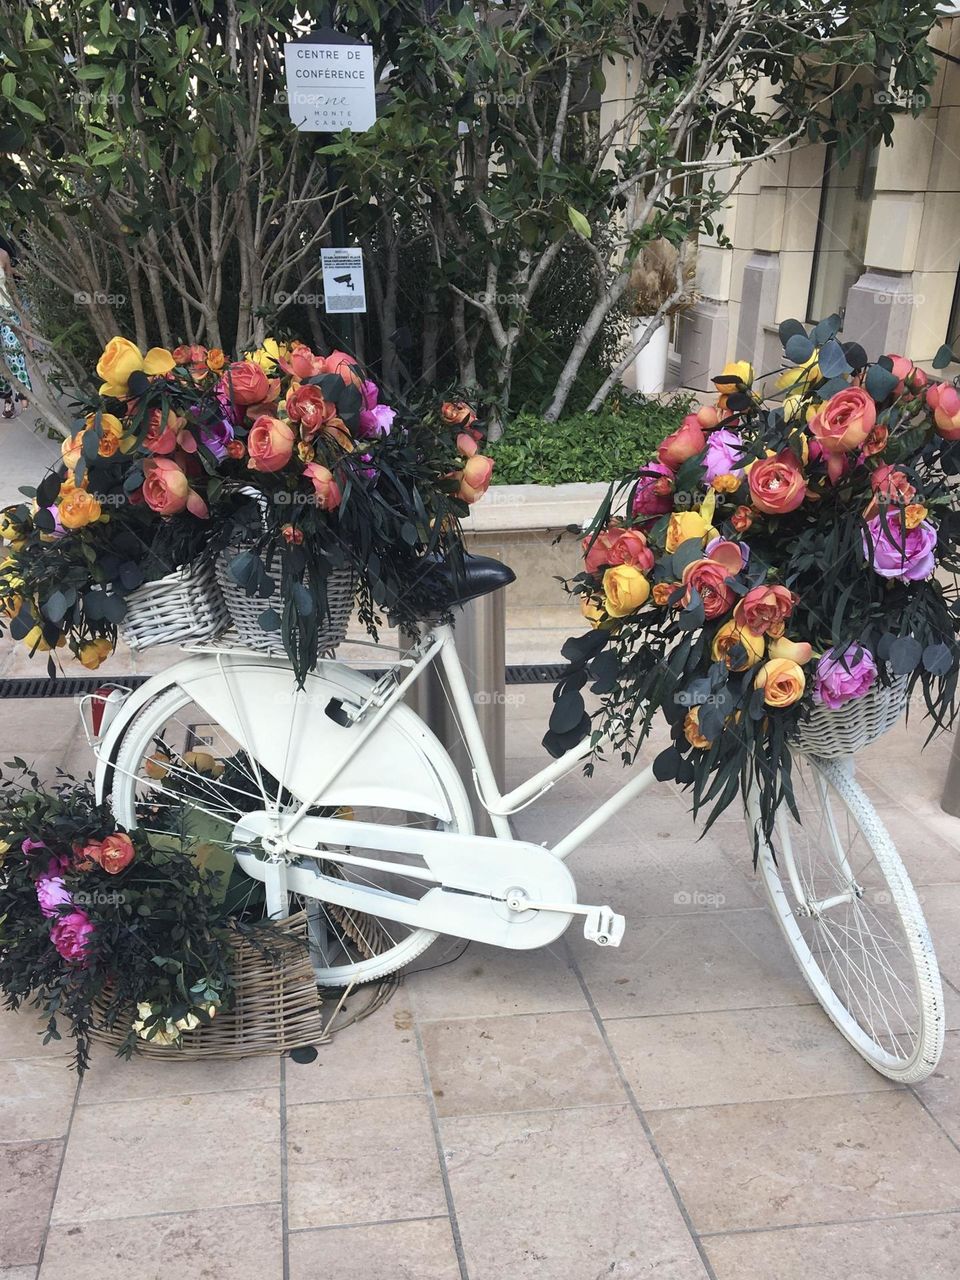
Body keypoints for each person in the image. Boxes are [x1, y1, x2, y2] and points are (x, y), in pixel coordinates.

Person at [0, 235, 32, 419]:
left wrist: (23, 317)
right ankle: (7, 398)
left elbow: (12, 287)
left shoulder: (3, 255)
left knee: (14, 351)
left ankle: (23, 391)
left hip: (7, 310)